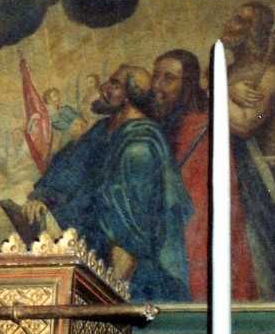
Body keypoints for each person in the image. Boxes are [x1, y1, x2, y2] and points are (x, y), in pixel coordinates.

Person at [23, 65, 191, 298]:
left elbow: (128, 234)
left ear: (129, 97)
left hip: (124, 278)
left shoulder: (139, 148)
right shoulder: (104, 129)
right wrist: (42, 197)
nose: (104, 87)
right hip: (89, 253)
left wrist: (110, 293)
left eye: (114, 84)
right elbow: (71, 167)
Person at [151, 48, 257, 301]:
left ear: (187, 85)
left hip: (192, 246)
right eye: (156, 76)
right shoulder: (159, 125)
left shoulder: (202, 128)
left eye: (168, 78)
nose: (157, 86)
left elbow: (198, 210)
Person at [222, 2, 275, 300]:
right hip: (232, 184)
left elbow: (243, 124)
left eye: (241, 20)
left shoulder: (273, 73)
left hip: (264, 189)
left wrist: (219, 91)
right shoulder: (228, 73)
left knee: (260, 270)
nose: (230, 23)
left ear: (258, 32)